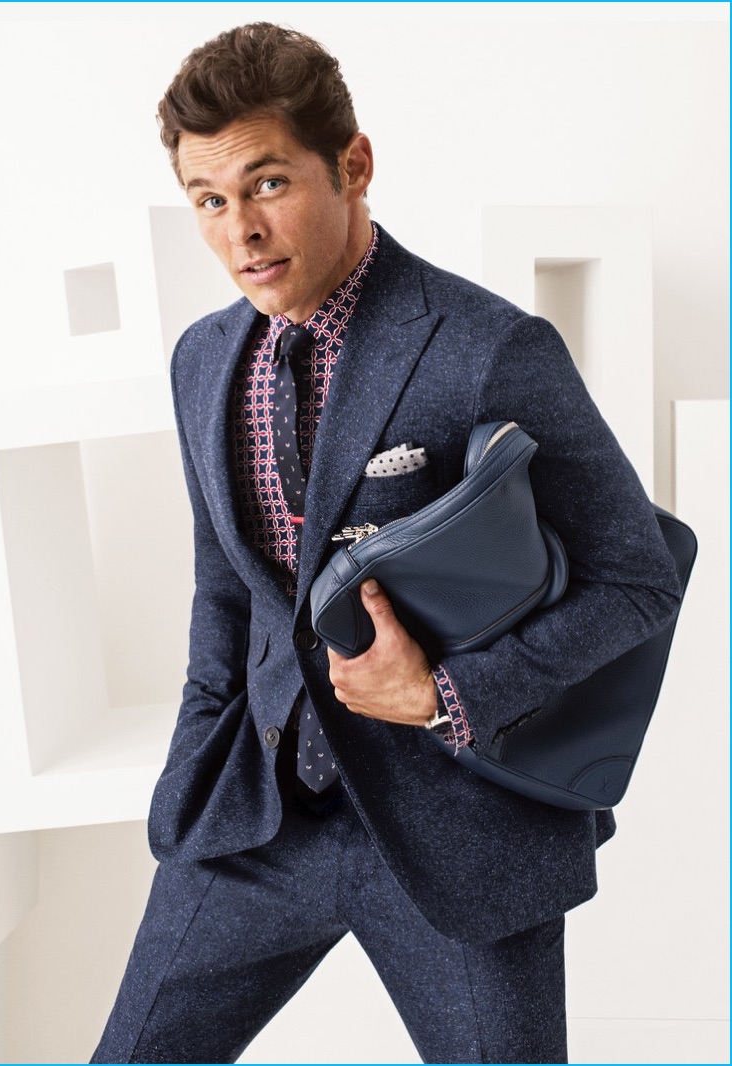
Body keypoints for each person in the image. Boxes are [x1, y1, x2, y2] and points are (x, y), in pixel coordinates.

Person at [91, 22, 680, 1065]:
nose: (241, 231)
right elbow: (225, 590)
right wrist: (198, 763)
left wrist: (447, 693)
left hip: (454, 833)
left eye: (268, 183)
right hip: (255, 821)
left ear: (351, 164)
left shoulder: (487, 346)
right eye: (209, 199)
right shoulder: (201, 360)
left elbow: (634, 577)